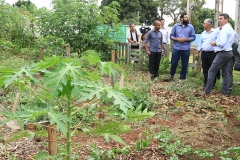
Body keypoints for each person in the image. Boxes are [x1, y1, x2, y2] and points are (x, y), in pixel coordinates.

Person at [203, 13, 235, 96]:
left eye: (221, 18)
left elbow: (222, 43)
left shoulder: (224, 29)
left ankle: (207, 92)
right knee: (226, 73)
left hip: (223, 52)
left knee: (211, 71)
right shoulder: (230, 28)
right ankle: (225, 92)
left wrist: (214, 43)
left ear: (226, 19)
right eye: (219, 18)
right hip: (229, 52)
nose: (219, 20)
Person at [169, 13, 196, 80]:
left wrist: (186, 39)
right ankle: (171, 76)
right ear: (181, 19)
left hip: (186, 48)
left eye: (187, 17)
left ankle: (182, 77)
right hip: (176, 48)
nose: (187, 19)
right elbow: (171, 36)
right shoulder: (175, 26)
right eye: (185, 17)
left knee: (185, 64)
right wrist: (178, 39)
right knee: (174, 63)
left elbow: (193, 37)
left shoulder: (191, 27)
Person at [196, 18, 220, 88]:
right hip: (204, 53)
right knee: (205, 68)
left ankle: (212, 84)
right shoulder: (203, 33)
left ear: (208, 25)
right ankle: (206, 82)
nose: (203, 25)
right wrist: (198, 52)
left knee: (212, 69)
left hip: (213, 53)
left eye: (204, 23)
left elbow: (219, 41)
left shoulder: (216, 32)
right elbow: (200, 44)